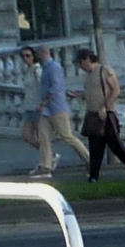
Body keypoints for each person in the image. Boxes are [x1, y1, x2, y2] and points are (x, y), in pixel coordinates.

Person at [75, 47, 125, 182]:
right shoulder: (87, 76)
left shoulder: (104, 70)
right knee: (95, 148)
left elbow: (116, 90)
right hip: (93, 115)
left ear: (87, 59)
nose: (80, 66)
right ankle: (94, 176)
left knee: (115, 146)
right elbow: (90, 94)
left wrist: (105, 107)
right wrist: (79, 95)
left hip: (107, 115)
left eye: (80, 63)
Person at [32, 42, 91, 176]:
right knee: (43, 138)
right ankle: (45, 166)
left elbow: (55, 87)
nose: (37, 56)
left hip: (56, 108)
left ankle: (90, 160)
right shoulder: (46, 68)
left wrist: (43, 103)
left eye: (38, 53)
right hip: (47, 109)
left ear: (43, 53)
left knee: (67, 136)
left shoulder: (54, 67)